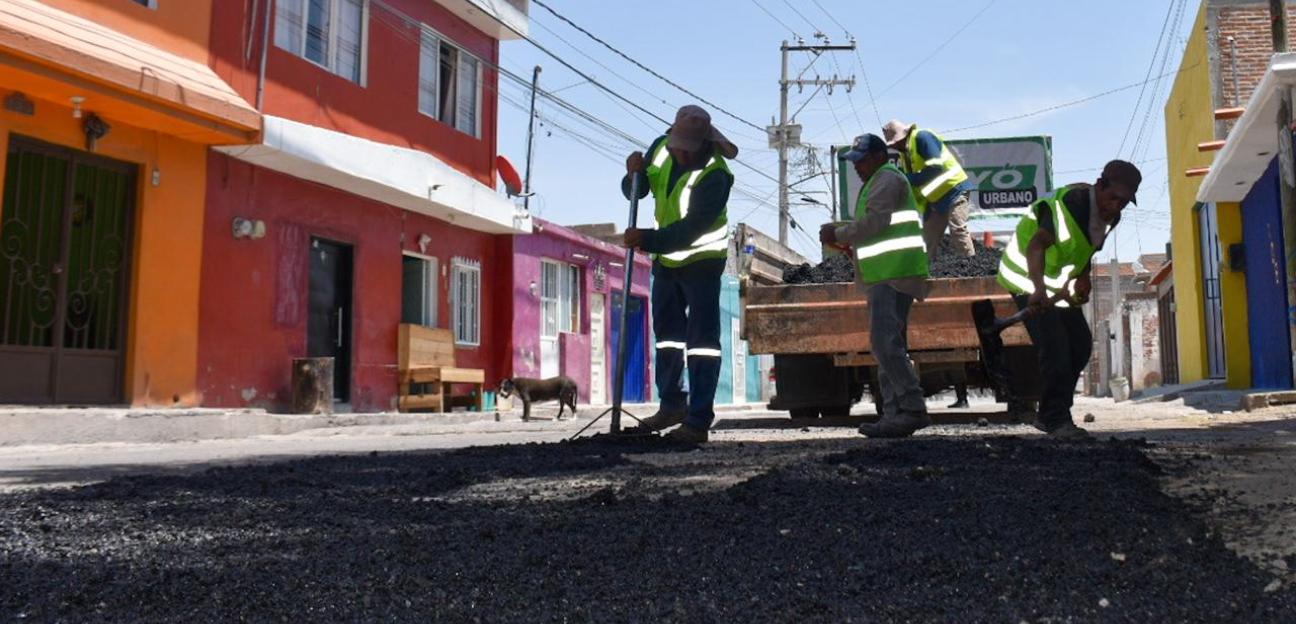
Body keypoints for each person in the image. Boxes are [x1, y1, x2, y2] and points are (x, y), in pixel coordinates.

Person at [996, 160, 1142, 439]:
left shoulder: (1112, 218)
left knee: (1080, 345)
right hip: (1026, 278)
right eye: (1113, 197)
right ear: (1100, 185)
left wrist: (1084, 276)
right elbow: (1037, 244)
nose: (1116, 206)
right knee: (1056, 348)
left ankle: (1053, 411)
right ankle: (1055, 418)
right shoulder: (1069, 205)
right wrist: (1037, 289)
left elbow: (1086, 248)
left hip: (1056, 286)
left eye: (1124, 202)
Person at [621, 105, 737, 444]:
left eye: (688, 149)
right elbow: (636, 192)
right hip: (665, 264)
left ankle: (698, 420)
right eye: (677, 147)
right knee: (668, 339)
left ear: (704, 143)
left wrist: (647, 239)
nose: (681, 154)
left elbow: (690, 230)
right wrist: (633, 175)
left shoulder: (716, 175)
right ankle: (672, 405)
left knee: (702, 344)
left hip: (701, 263)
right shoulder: (660, 148)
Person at [821, 134, 931, 438]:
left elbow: (876, 223)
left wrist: (839, 232)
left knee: (885, 344)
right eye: (855, 162)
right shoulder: (880, 180)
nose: (857, 167)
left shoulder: (885, 179)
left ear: (880, 156)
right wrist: (842, 234)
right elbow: (877, 226)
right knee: (888, 345)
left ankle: (911, 408)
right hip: (888, 273)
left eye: (862, 160)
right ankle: (895, 414)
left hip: (892, 274)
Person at [882, 120, 975, 262]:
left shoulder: (922, 137)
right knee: (927, 240)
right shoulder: (905, 154)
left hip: (954, 189)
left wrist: (907, 178)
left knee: (957, 229)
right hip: (935, 200)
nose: (894, 147)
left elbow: (936, 169)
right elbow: (915, 184)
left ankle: (971, 265)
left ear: (902, 137)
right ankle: (927, 274)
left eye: (894, 143)